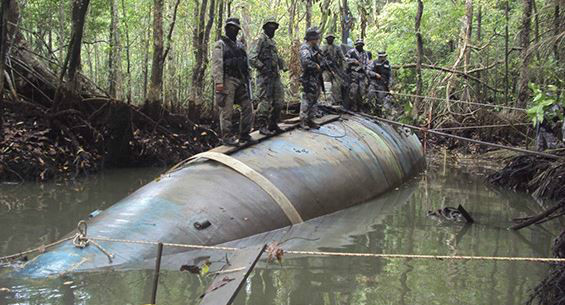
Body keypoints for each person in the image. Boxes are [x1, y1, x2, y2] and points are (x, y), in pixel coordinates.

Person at [211, 18, 256, 146]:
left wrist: (249, 80)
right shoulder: (220, 44)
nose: (233, 30)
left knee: (248, 106)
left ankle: (245, 134)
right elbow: (217, 64)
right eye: (231, 28)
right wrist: (219, 82)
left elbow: (246, 64)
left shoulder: (240, 45)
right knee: (227, 109)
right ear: (226, 29)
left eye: (235, 28)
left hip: (241, 80)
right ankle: (226, 136)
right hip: (227, 80)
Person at [249, 17, 286, 136]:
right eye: (270, 27)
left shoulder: (272, 42)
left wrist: (282, 65)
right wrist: (263, 68)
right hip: (264, 77)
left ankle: (273, 123)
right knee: (264, 101)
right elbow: (252, 58)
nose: (273, 29)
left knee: (279, 101)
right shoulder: (260, 40)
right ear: (265, 27)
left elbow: (275, 57)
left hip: (275, 76)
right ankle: (262, 126)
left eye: (274, 27)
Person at [299, 27, 323, 130]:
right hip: (308, 78)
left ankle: (311, 119)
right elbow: (305, 62)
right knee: (307, 99)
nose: (317, 40)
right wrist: (315, 65)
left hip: (315, 78)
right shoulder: (305, 48)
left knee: (314, 99)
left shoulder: (315, 48)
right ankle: (303, 121)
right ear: (311, 38)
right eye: (316, 38)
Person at [321, 32, 346, 106]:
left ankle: (336, 101)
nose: (330, 39)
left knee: (336, 85)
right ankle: (327, 101)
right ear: (326, 39)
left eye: (331, 38)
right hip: (326, 69)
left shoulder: (337, 48)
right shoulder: (323, 47)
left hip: (335, 69)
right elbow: (320, 57)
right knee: (327, 85)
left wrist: (343, 68)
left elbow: (342, 57)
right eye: (329, 38)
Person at [345, 39, 370, 111]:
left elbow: (367, 63)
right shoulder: (351, 52)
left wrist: (366, 72)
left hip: (362, 74)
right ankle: (353, 106)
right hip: (353, 74)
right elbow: (345, 59)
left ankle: (360, 107)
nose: (360, 46)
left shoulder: (365, 53)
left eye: (361, 45)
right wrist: (353, 61)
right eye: (358, 45)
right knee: (353, 91)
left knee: (361, 92)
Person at [367, 51, 392, 116]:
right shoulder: (374, 62)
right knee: (370, 96)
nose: (383, 58)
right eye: (381, 56)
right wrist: (375, 74)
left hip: (382, 85)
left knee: (380, 100)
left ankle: (378, 114)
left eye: (384, 56)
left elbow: (390, 76)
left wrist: (390, 86)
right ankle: (370, 111)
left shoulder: (388, 64)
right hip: (374, 83)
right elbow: (368, 71)